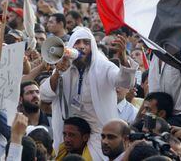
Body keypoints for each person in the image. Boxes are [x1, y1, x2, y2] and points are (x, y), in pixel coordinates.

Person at [40, 27, 137, 160]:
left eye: (86, 43)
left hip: (99, 131)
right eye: (77, 43)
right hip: (69, 132)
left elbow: (125, 82)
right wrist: (58, 73)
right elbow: (45, 95)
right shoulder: (64, 67)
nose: (81, 47)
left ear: (92, 47)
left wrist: (124, 60)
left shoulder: (104, 66)